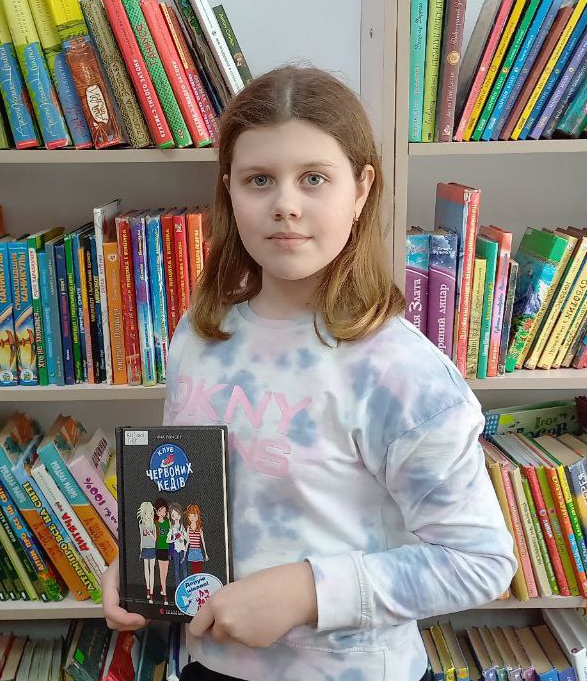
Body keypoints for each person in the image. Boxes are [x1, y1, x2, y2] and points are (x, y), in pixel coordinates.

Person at [103, 65, 516, 681]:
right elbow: (181, 490)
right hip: (208, 664)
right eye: (259, 180)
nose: (286, 206)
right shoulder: (198, 337)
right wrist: (141, 560)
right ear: (230, 190)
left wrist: (308, 592)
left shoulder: (403, 373)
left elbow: (479, 561)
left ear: (361, 189)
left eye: (314, 178)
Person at [136, 501, 156, 603]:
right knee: (146, 570)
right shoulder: (141, 525)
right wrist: (140, 551)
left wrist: (150, 533)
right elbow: (141, 539)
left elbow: (155, 539)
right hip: (144, 548)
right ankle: (148, 589)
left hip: (152, 548)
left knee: (152, 570)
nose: (147, 515)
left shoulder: (153, 525)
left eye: (149, 512)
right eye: (145, 512)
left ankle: (151, 592)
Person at [167, 502, 189, 585]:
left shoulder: (182, 528)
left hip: (182, 550)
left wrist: (182, 535)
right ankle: (178, 587)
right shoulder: (172, 529)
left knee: (184, 569)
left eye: (177, 514)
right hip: (176, 551)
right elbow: (167, 540)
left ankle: (186, 585)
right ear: (171, 517)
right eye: (173, 515)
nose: (176, 517)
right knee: (176, 570)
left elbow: (188, 540)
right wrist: (174, 540)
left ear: (180, 515)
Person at [154, 497, 170, 605]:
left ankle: (163, 588)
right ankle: (164, 591)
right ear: (156, 511)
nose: (162, 512)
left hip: (167, 549)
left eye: (164, 510)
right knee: (162, 571)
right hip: (159, 549)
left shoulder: (168, 522)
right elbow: (155, 538)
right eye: (160, 510)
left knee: (165, 571)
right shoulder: (155, 523)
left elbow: (171, 532)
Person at [184, 504, 209, 575]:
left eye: (194, 515)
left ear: (198, 516)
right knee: (194, 570)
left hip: (198, 550)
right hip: (191, 550)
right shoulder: (188, 528)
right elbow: (188, 542)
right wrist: (184, 555)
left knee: (199, 569)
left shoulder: (199, 528)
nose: (191, 518)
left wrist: (206, 554)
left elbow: (203, 541)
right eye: (190, 516)